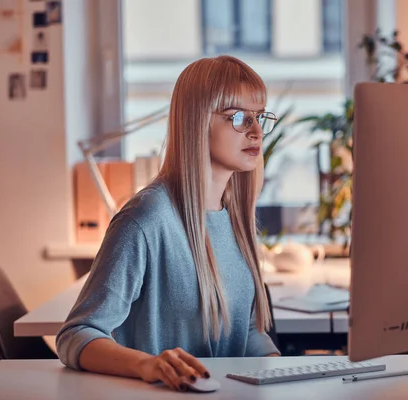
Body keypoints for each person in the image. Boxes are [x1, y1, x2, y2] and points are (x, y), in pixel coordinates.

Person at [56, 56, 280, 392]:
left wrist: (285, 376)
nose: (256, 130)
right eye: (236, 116)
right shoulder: (145, 220)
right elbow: (77, 334)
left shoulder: (233, 216)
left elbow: (246, 332)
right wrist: (148, 365)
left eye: (259, 116)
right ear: (195, 122)